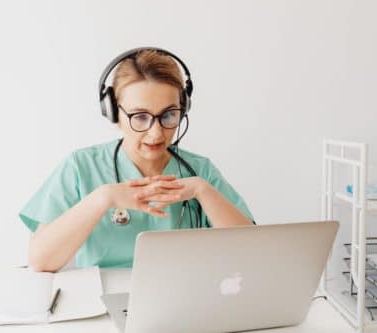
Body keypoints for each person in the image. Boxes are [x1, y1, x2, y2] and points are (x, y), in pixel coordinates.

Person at [19, 47, 255, 272]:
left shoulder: (199, 170)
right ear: (113, 112)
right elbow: (40, 261)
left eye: (169, 115)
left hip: (183, 300)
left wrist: (203, 190)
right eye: (140, 117)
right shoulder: (80, 167)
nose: (156, 133)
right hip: (105, 305)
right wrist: (104, 197)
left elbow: (251, 252)